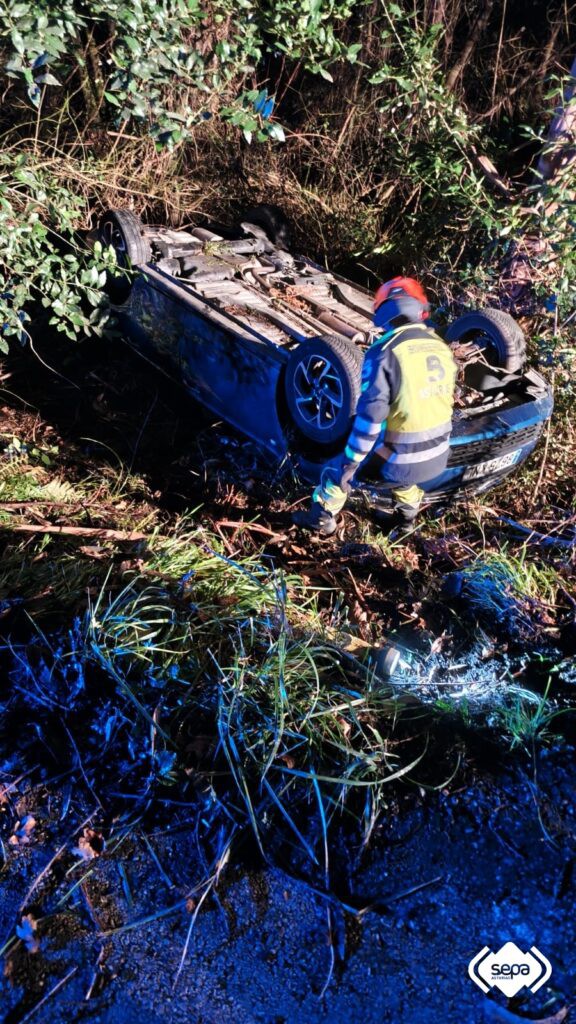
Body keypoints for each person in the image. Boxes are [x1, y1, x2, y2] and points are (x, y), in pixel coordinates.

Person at [294, 277, 457, 536]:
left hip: (399, 461)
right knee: (404, 473)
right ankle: (405, 522)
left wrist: (350, 462)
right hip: (438, 456)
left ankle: (321, 519)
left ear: (386, 310)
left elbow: (370, 418)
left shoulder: (384, 352)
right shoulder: (440, 347)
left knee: (335, 469)